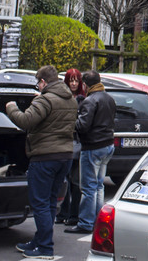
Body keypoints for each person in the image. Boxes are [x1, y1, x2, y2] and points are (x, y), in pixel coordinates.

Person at [5, 65, 78, 259]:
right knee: (51, 202)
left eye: (38, 83)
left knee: (40, 203)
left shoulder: (45, 99)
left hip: (45, 157)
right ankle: (38, 240)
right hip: (65, 156)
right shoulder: (70, 99)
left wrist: (11, 107)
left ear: (43, 82)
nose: (38, 87)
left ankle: (45, 248)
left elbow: (25, 121)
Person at [68, 70, 117, 235]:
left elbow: (82, 126)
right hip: (108, 145)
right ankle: (97, 219)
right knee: (98, 185)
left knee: (88, 187)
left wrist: (74, 117)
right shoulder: (109, 98)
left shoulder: (90, 100)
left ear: (85, 84)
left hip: (93, 146)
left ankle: (86, 222)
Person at [55, 68, 86, 226]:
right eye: (71, 80)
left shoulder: (83, 99)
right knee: (63, 180)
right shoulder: (61, 97)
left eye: (76, 80)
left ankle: (74, 215)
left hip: (77, 144)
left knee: (75, 182)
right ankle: (63, 213)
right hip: (64, 143)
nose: (74, 83)